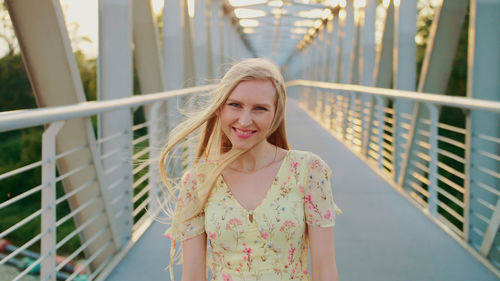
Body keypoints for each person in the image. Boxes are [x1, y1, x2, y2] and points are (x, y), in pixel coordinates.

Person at [160, 58, 341, 281]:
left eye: (260, 109)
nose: (245, 121)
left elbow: (325, 271)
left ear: (275, 115)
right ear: (219, 109)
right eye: (235, 105)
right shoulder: (198, 180)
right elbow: (193, 277)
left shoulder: (309, 170)